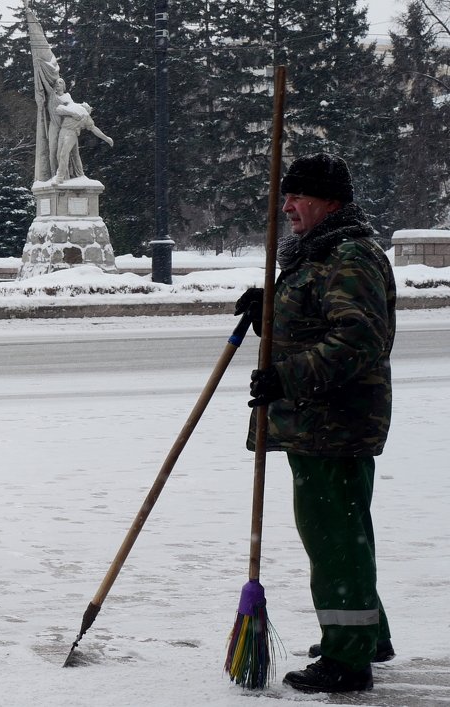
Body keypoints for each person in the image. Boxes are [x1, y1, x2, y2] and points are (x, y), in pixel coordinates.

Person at [235, 153, 397, 693]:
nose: (287, 207)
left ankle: (348, 660)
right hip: (317, 422)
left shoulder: (349, 255)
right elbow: (313, 322)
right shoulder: (317, 255)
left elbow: (357, 341)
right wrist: (271, 308)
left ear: (330, 201)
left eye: (298, 197)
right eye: (286, 197)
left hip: (334, 423)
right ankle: (367, 635)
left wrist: (289, 378)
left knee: (334, 538)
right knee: (344, 532)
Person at [53, 102, 114, 183]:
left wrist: (106, 138)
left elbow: (94, 129)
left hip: (72, 133)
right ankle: (61, 176)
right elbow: (58, 109)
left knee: (63, 154)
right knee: (60, 154)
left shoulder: (85, 116)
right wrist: (72, 113)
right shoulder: (74, 107)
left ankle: (60, 177)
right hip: (63, 131)